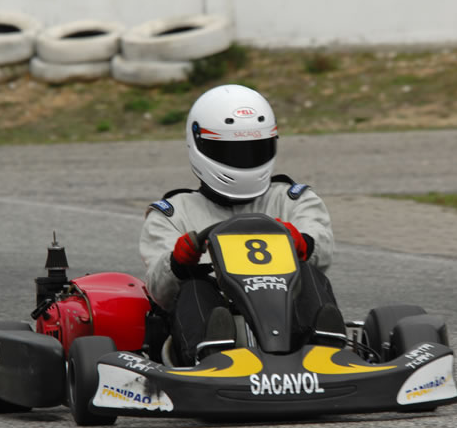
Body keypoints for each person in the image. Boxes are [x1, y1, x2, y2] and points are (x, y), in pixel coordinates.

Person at [139, 84, 343, 366]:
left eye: (254, 151)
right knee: (195, 287)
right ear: (199, 145)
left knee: (307, 272)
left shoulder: (292, 199)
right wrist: (176, 263)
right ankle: (212, 358)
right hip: (216, 323)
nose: (244, 161)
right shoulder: (172, 213)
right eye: (230, 152)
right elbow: (158, 290)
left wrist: (303, 243)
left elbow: (322, 245)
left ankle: (327, 351)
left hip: (288, 320)